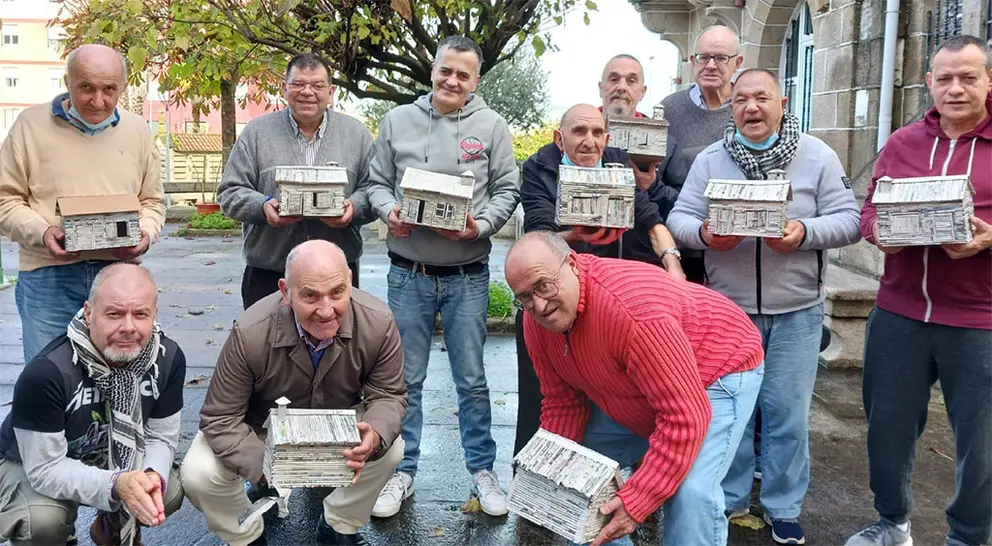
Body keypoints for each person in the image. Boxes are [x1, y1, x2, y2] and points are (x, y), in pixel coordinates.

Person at [667, 67, 861, 544]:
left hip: (797, 309)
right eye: (741, 100)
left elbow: (850, 220)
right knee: (731, 411)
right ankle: (730, 497)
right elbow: (679, 219)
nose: (751, 107)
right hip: (728, 313)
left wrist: (804, 232)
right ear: (731, 109)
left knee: (786, 413)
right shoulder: (710, 159)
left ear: (782, 103)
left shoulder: (817, 155)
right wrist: (706, 235)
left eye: (762, 98)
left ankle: (783, 506)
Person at [506, 231, 764, 546]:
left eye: (544, 285)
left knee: (690, 492)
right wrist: (550, 473)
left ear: (572, 263)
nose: (539, 304)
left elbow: (685, 416)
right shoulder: (535, 322)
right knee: (577, 480)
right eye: (525, 297)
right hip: (645, 383)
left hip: (717, 365)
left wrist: (638, 500)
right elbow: (563, 402)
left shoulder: (633, 311)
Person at [843, 34, 992, 546]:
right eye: (945, 79)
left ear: (988, 80)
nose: (955, 89)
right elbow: (869, 207)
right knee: (887, 429)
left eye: (968, 77)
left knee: (981, 443)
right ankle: (892, 523)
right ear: (929, 82)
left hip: (979, 319)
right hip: (899, 312)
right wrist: (877, 232)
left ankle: (968, 535)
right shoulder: (904, 142)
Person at [366, 36, 520, 519]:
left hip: (467, 276)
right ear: (433, 70)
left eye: (463, 75)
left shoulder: (492, 126)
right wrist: (389, 212)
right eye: (445, 71)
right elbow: (375, 183)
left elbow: (508, 188)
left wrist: (483, 225)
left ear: (476, 80)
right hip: (408, 273)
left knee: (472, 380)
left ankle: (483, 471)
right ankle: (401, 469)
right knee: (404, 379)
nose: (452, 81)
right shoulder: (397, 120)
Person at [181, 240, 407, 546]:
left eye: (337, 293)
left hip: (336, 421)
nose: (326, 310)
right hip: (263, 426)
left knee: (390, 447)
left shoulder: (378, 323)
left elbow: (389, 395)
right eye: (311, 295)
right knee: (199, 473)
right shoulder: (250, 332)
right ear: (286, 292)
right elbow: (220, 417)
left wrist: (375, 434)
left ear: (350, 283)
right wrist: (265, 465)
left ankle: (339, 523)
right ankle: (246, 535)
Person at [513, 103, 685, 456]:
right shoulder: (539, 166)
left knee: (613, 394)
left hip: (605, 302)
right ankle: (533, 472)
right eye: (579, 132)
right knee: (548, 397)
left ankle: (615, 471)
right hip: (554, 295)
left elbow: (650, 219)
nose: (589, 141)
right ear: (559, 138)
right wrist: (575, 234)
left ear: (607, 138)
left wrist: (673, 265)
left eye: (596, 133)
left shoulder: (617, 161)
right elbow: (539, 235)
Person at [0, 44, 166, 363]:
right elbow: (5, 200)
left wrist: (145, 233)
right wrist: (42, 233)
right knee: (49, 373)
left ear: (122, 87)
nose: (98, 100)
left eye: (109, 89)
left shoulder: (137, 131)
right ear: (68, 82)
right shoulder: (29, 125)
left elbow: (152, 201)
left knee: (119, 371)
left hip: (119, 275)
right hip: (48, 276)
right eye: (86, 87)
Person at [0, 263, 186, 546]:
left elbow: (161, 437)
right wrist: (117, 485)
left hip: (103, 451)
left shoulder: (167, 358)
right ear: (88, 313)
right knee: (42, 521)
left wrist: (149, 478)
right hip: (33, 462)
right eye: (114, 314)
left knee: (166, 491)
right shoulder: (47, 372)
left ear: (154, 314)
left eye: (140, 314)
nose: (128, 327)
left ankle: (112, 527)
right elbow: (45, 469)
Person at [217, 52, 375, 310]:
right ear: (284, 88)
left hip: (335, 278)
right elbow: (229, 192)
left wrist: (354, 208)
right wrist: (263, 206)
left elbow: (374, 189)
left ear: (331, 91)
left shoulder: (356, 134)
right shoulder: (257, 133)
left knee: (334, 337)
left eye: (317, 85)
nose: (307, 92)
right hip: (268, 273)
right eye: (298, 84)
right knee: (265, 336)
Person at [655, 25, 743, 284]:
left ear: (737, 62)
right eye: (704, 57)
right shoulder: (668, 110)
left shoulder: (749, 109)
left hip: (737, 251)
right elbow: (654, 182)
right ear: (693, 61)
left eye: (721, 58)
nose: (711, 65)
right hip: (683, 251)